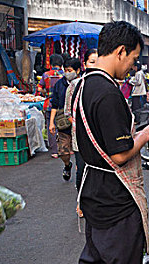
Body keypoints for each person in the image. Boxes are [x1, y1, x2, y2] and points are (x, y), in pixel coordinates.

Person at [71, 21, 149, 264]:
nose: (132, 66)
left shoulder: (82, 85)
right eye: (133, 59)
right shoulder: (107, 92)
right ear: (120, 51)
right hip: (115, 196)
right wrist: (148, 134)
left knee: (93, 259)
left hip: (92, 190)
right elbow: (120, 153)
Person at [64, 48, 98, 218]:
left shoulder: (105, 84)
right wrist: (83, 127)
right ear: (84, 64)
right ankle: (81, 201)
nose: (96, 65)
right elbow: (68, 113)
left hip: (99, 138)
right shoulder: (75, 86)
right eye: (92, 61)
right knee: (82, 169)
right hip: (80, 137)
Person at [50, 58, 82, 181]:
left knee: (80, 150)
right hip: (64, 123)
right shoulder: (60, 84)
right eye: (65, 70)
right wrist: (51, 123)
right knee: (63, 151)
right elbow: (55, 104)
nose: (67, 73)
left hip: (79, 123)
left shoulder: (83, 83)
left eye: (70, 70)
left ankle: (80, 170)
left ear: (78, 70)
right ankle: (67, 165)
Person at [38, 54, 64, 158]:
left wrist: (46, 92)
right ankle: (65, 148)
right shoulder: (64, 74)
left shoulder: (45, 75)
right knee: (64, 126)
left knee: (51, 126)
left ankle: (54, 151)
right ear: (61, 64)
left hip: (49, 104)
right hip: (62, 105)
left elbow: (39, 88)